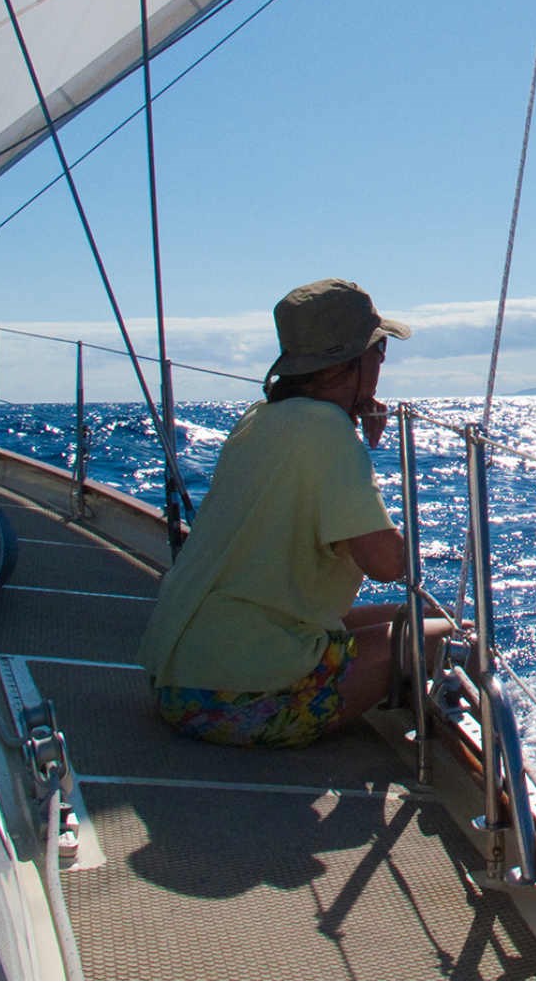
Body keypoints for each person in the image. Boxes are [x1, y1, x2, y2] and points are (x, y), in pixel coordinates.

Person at [136, 278, 435, 748]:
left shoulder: (260, 418)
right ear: (350, 364)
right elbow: (388, 564)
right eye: (379, 354)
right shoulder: (328, 432)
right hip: (235, 699)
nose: (381, 366)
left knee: (417, 613)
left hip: (176, 678)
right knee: (446, 636)